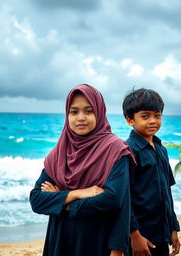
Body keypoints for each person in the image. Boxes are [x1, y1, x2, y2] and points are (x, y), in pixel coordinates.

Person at [30, 84, 135, 256]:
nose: (81, 118)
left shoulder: (115, 149)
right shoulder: (59, 153)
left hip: (98, 240)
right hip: (61, 239)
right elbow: (37, 200)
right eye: (74, 112)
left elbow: (113, 200)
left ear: (99, 113)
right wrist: (77, 193)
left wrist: (63, 204)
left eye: (88, 111)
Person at [122, 88, 181, 256]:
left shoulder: (161, 149)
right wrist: (134, 235)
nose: (153, 121)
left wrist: (173, 227)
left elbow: (166, 194)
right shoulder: (128, 151)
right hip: (140, 234)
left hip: (161, 232)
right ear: (130, 120)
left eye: (157, 115)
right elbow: (123, 197)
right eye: (145, 116)